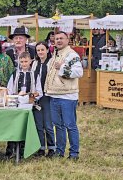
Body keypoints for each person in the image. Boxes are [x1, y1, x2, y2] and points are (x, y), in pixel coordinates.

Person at [45, 31, 83, 160]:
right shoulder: (55, 54)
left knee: (70, 125)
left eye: (61, 38)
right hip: (54, 95)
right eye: (56, 39)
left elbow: (79, 72)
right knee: (58, 126)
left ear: (67, 40)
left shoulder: (71, 55)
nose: (59, 41)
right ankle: (59, 152)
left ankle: (74, 154)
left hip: (67, 95)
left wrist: (63, 67)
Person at [6, 52, 42, 157]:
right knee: (14, 127)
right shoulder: (14, 74)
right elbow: (9, 90)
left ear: (30, 61)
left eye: (26, 61)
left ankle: (23, 150)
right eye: (21, 62)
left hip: (30, 106)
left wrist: (31, 97)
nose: (24, 63)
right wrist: (17, 96)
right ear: (18, 62)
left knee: (26, 127)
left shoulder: (35, 74)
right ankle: (10, 150)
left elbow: (39, 91)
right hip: (16, 105)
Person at [31, 41, 56, 157]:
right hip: (37, 97)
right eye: (38, 50)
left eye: (42, 50)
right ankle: (41, 148)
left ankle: (52, 148)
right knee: (39, 124)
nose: (40, 52)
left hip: (48, 96)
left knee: (48, 124)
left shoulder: (51, 63)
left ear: (47, 50)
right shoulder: (35, 63)